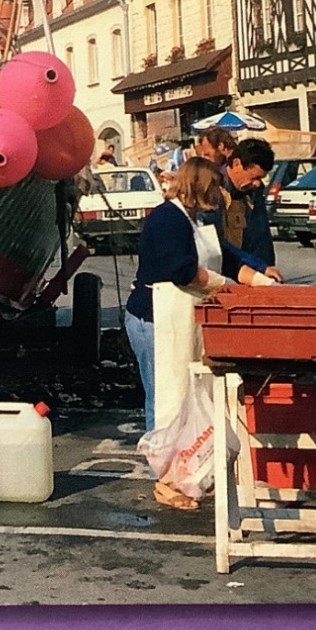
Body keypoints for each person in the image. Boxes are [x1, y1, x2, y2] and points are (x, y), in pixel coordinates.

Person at [124, 158, 271, 434]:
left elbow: (226, 257)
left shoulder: (199, 219)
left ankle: (188, 465)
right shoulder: (167, 218)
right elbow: (183, 271)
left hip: (185, 318)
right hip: (154, 319)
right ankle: (165, 471)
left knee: (190, 396)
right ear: (200, 186)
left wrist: (262, 280)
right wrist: (227, 287)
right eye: (215, 187)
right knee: (166, 396)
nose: (220, 194)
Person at [220, 137, 280, 275]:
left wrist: (266, 268)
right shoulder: (214, 191)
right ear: (236, 164)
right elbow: (217, 243)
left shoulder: (253, 193)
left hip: (254, 270)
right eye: (254, 177)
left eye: (261, 179)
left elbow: (260, 235)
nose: (258, 184)